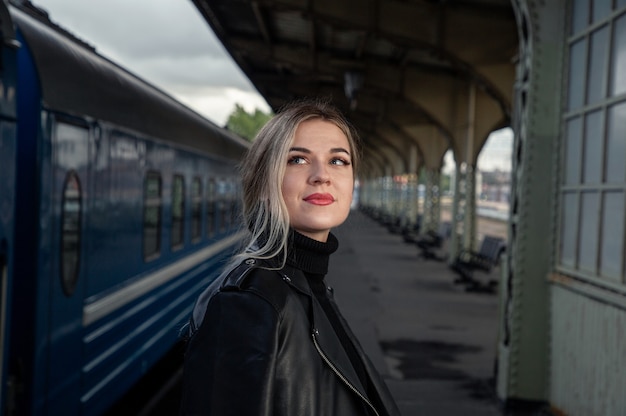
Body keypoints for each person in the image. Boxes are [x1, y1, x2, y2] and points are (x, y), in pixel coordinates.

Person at [180, 99, 400, 416]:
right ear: (264, 184)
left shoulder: (309, 288)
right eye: (297, 160)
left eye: (338, 161)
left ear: (352, 182)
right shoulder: (246, 305)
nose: (322, 176)